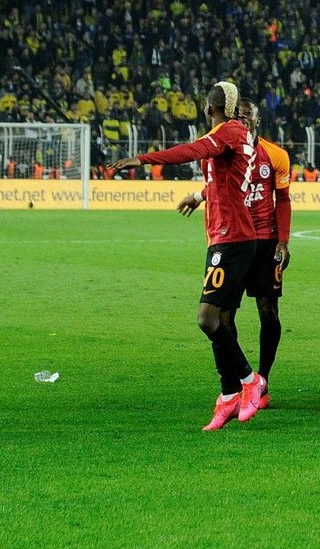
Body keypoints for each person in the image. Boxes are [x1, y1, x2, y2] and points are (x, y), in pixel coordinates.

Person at [108, 81, 266, 431]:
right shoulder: (237, 135)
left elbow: (190, 151)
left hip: (232, 239)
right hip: (227, 237)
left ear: (209, 109)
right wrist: (198, 195)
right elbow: (224, 179)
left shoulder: (227, 132)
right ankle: (228, 395)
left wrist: (142, 159)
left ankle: (249, 379)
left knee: (207, 319)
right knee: (222, 322)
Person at [178, 99, 291, 410]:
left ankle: (262, 380)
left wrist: (283, 241)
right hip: (234, 241)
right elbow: (218, 184)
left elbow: (282, 199)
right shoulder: (226, 148)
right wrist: (199, 195)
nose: (242, 120)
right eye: (238, 115)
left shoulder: (275, 155)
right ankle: (239, 382)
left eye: (248, 116)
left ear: (257, 121)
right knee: (224, 317)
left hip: (265, 241)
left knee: (268, 312)